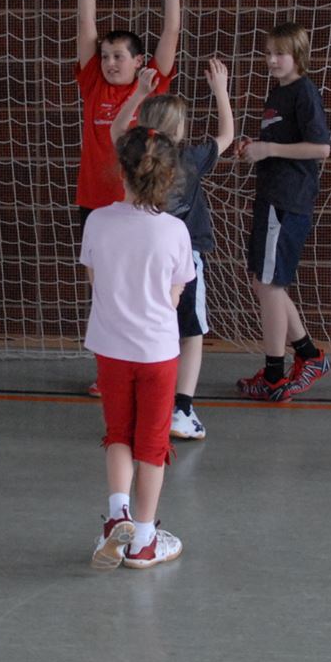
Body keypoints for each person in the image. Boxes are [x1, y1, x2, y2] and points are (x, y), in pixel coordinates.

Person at [83, 124, 194, 570]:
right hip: (157, 354)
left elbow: (95, 280)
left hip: (111, 350)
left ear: (121, 171)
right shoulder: (175, 232)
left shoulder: (97, 221)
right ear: (168, 177)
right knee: (152, 446)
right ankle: (144, 540)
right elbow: (174, 296)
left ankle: (117, 516)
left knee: (118, 435)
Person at [75, 0, 180, 397]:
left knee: (143, 290)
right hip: (96, 204)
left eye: (119, 56)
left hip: (140, 207)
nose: (110, 62)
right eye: (105, 55)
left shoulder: (151, 84)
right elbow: (86, 25)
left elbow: (171, 31)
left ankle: (149, 362)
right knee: (103, 292)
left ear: (139, 62)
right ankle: (109, 370)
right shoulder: (93, 83)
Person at [109, 57, 233, 440]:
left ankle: (141, 404)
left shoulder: (134, 157)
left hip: (142, 258)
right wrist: (220, 91)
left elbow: (116, 129)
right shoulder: (190, 160)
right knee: (190, 332)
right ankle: (182, 408)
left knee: (148, 328)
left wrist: (138, 93)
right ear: (178, 131)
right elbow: (227, 135)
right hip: (184, 260)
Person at [234, 22, 331, 401]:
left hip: (288, 200)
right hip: (271, 195)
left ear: (298, 56)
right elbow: (281, 143)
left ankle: (275, 375)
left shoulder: (304, 91)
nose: (272, 60)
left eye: (280, 53)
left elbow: (321, 148)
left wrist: (270, 150)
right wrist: (256, 146)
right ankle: (308, 354)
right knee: (265, 283)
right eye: (268, 53)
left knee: (270, 285)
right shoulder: (278, 92)